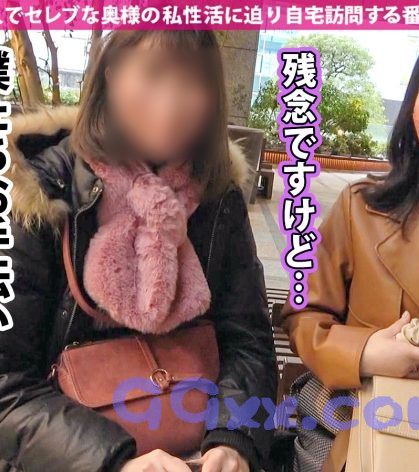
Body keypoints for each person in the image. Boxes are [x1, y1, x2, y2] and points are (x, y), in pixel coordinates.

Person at [0, 31, 276, 472]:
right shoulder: (37, 190)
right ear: (110, 74)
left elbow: (248, 341)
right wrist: (116, 462)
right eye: (153, 73)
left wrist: (234, 439)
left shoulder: (217, 193)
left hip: (199, 449)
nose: (172, 103)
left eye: (194, 80)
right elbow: (8, 385)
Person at [282, 30, 419, 470]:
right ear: (412, 108)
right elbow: (303, 315)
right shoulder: (360, 208)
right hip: (362, 441)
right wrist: (365, 352)